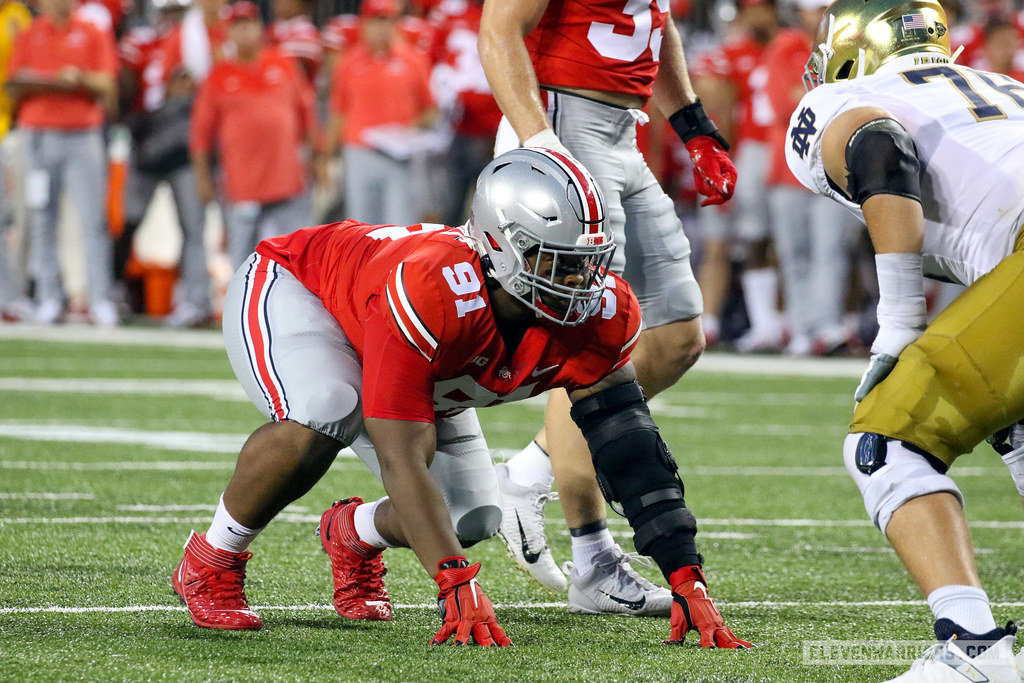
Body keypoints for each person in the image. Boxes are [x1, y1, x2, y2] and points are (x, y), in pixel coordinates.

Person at [172, 147, 747, 649]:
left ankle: (353, 532)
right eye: (559, 263)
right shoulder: (435, 291)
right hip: (302, 291)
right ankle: (213, 558)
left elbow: (629, 448)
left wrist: (685, 575)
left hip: (410, 339)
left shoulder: (601, 313)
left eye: (587, 263)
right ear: (500, 248)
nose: (580, 283)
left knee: (471, 515)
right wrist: (454, 581)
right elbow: (401, 453)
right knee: (330, 402)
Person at [477, 0, 743, 630]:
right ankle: (594, 559)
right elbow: (498, 31)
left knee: (677, 334)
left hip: (622, 131)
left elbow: (655, 22)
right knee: (588, 345)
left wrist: (693, 122)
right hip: (559, 116)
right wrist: (542, 144)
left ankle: (526, 471)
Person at [786, 0, 1024, 678]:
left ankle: (971, 648)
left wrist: (898, 326)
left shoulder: (846, 94)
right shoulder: (1003, 87)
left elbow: (877, 145)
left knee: (886, 437)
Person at [5, 0, 119, 326]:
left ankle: (100, 299)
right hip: (38, 136)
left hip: (83, 135)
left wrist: (78, 78)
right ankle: (49, 297)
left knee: (92, 220)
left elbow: (107, 83)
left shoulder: (92, 32)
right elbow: (12, 85)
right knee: (42, 218)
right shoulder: (29, 34)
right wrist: (46, 82)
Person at [190, 1, 325, 270]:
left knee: (297, 255)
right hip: (242, 184)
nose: (244, 33)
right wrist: (203, 177)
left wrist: (318, 160)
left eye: (249, 24)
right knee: (242, 259)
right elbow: (201, 133)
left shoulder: (283, 64)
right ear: (228, 33)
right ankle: (241, 310)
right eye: (237, 26)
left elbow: (307, 115)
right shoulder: (218, 76)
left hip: (287, 179)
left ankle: (290, 311)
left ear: (260, 28)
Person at [762, 0, 856, 356]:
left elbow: (851, 103)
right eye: (813, 9)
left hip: (833, 166)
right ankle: (803, 328)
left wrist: (814, 95)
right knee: (794, 252)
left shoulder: (851, 47)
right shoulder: (785, 46)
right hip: (788, 169)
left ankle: (826, 326)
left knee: (830, 250)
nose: (818, 16)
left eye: (823, 8)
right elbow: (781, 102)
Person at [693, 0, 785, 352]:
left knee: (763, 241)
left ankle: (771, 321)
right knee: (719, 243)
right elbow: (711, 96)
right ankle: (710, 321)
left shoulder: (786, 47)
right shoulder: (731, 53)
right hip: (733, 156)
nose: (755, 17)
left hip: (765, 156)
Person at [326, 0, 438, 227]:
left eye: (386, 21)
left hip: (399, 156)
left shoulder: (413, 60)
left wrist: (408, 128)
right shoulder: (348, 63)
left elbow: (431, 111)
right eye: (376, 21)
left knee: (400, 227)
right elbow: (338, 114)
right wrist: (327, 156)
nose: (381, 28)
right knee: (362, 227)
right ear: (364, 24)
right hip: (360, 153)